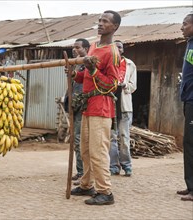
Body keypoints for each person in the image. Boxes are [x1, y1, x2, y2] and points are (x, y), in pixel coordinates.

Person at [70, 10, 121, 205]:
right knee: (85, 149)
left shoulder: (112, 52)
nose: (100, 24)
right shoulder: (93, 46)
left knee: (98, 151)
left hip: (101, 106)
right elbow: (86, 76)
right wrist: (75, 74)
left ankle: (105, 191)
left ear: (114, 27)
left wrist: (93, 69)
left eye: (105, 21)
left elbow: (112, 84)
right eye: (99, 20)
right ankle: (86, 185)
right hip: (87, 105)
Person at [109, 40, 137, 177]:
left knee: (124, 137)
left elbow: (134, 86)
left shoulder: (130, 64)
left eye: (120, 47)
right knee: (111, 138)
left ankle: (127, 166)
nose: (118, 49)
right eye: (115, 47)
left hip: (125, 106)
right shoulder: (107, 63)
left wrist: (125, 85)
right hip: (110, 106)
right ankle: (114, 166)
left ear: (123, 50)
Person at [65, 38, 90, 185]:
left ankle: (83, 173)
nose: (75, 50)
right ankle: (80, 170)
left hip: (82, 106)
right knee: (75, 140)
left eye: (78, 47)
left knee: (80, 141)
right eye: (74, 48)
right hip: (74, 106)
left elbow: (82, 88)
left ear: (86, 48)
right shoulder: (75, 65)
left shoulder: (86, 65)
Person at [177, 13, 193, 202]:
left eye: (185, 24)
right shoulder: (189, 43)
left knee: (190, 144)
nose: (182, 27)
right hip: (188, 100)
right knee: (188, 144)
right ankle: (190, 185)